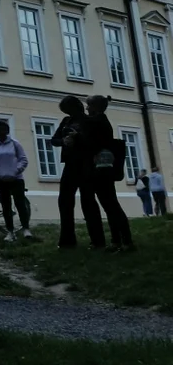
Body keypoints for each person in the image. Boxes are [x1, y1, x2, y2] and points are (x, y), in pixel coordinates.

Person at [82, 95, 132, 250]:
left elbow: (92, 142)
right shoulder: (101, 121)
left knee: (111, 205)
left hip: (102, 169)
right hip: (104, 168)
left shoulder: (97, 122)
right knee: (110, 205)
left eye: (89, 106)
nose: (87, 109)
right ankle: (117, 240)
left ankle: (125, 241)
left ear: (96, 107)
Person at [51, 95, 98, 249]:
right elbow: (54, 140)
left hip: (85, 164)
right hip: (70, 164)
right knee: (64, 201)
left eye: (69, 110)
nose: (68, 113)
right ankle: (67, 240)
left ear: (76, 107)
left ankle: (97, 240)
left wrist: (78, 138)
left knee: (88, 201)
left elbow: (93, 143)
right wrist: (63, 141)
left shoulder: (89, 121)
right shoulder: (66, 121)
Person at [0, 121, 31, 242]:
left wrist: (15, 171)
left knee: (20, 203)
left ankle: (26, 228)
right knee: (6, 205)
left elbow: (23, 159)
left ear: (7, 130)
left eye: (4, 129)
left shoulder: (15, 144)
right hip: (1, 179)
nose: (2, 132)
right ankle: (10, 231)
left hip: (16, 178)